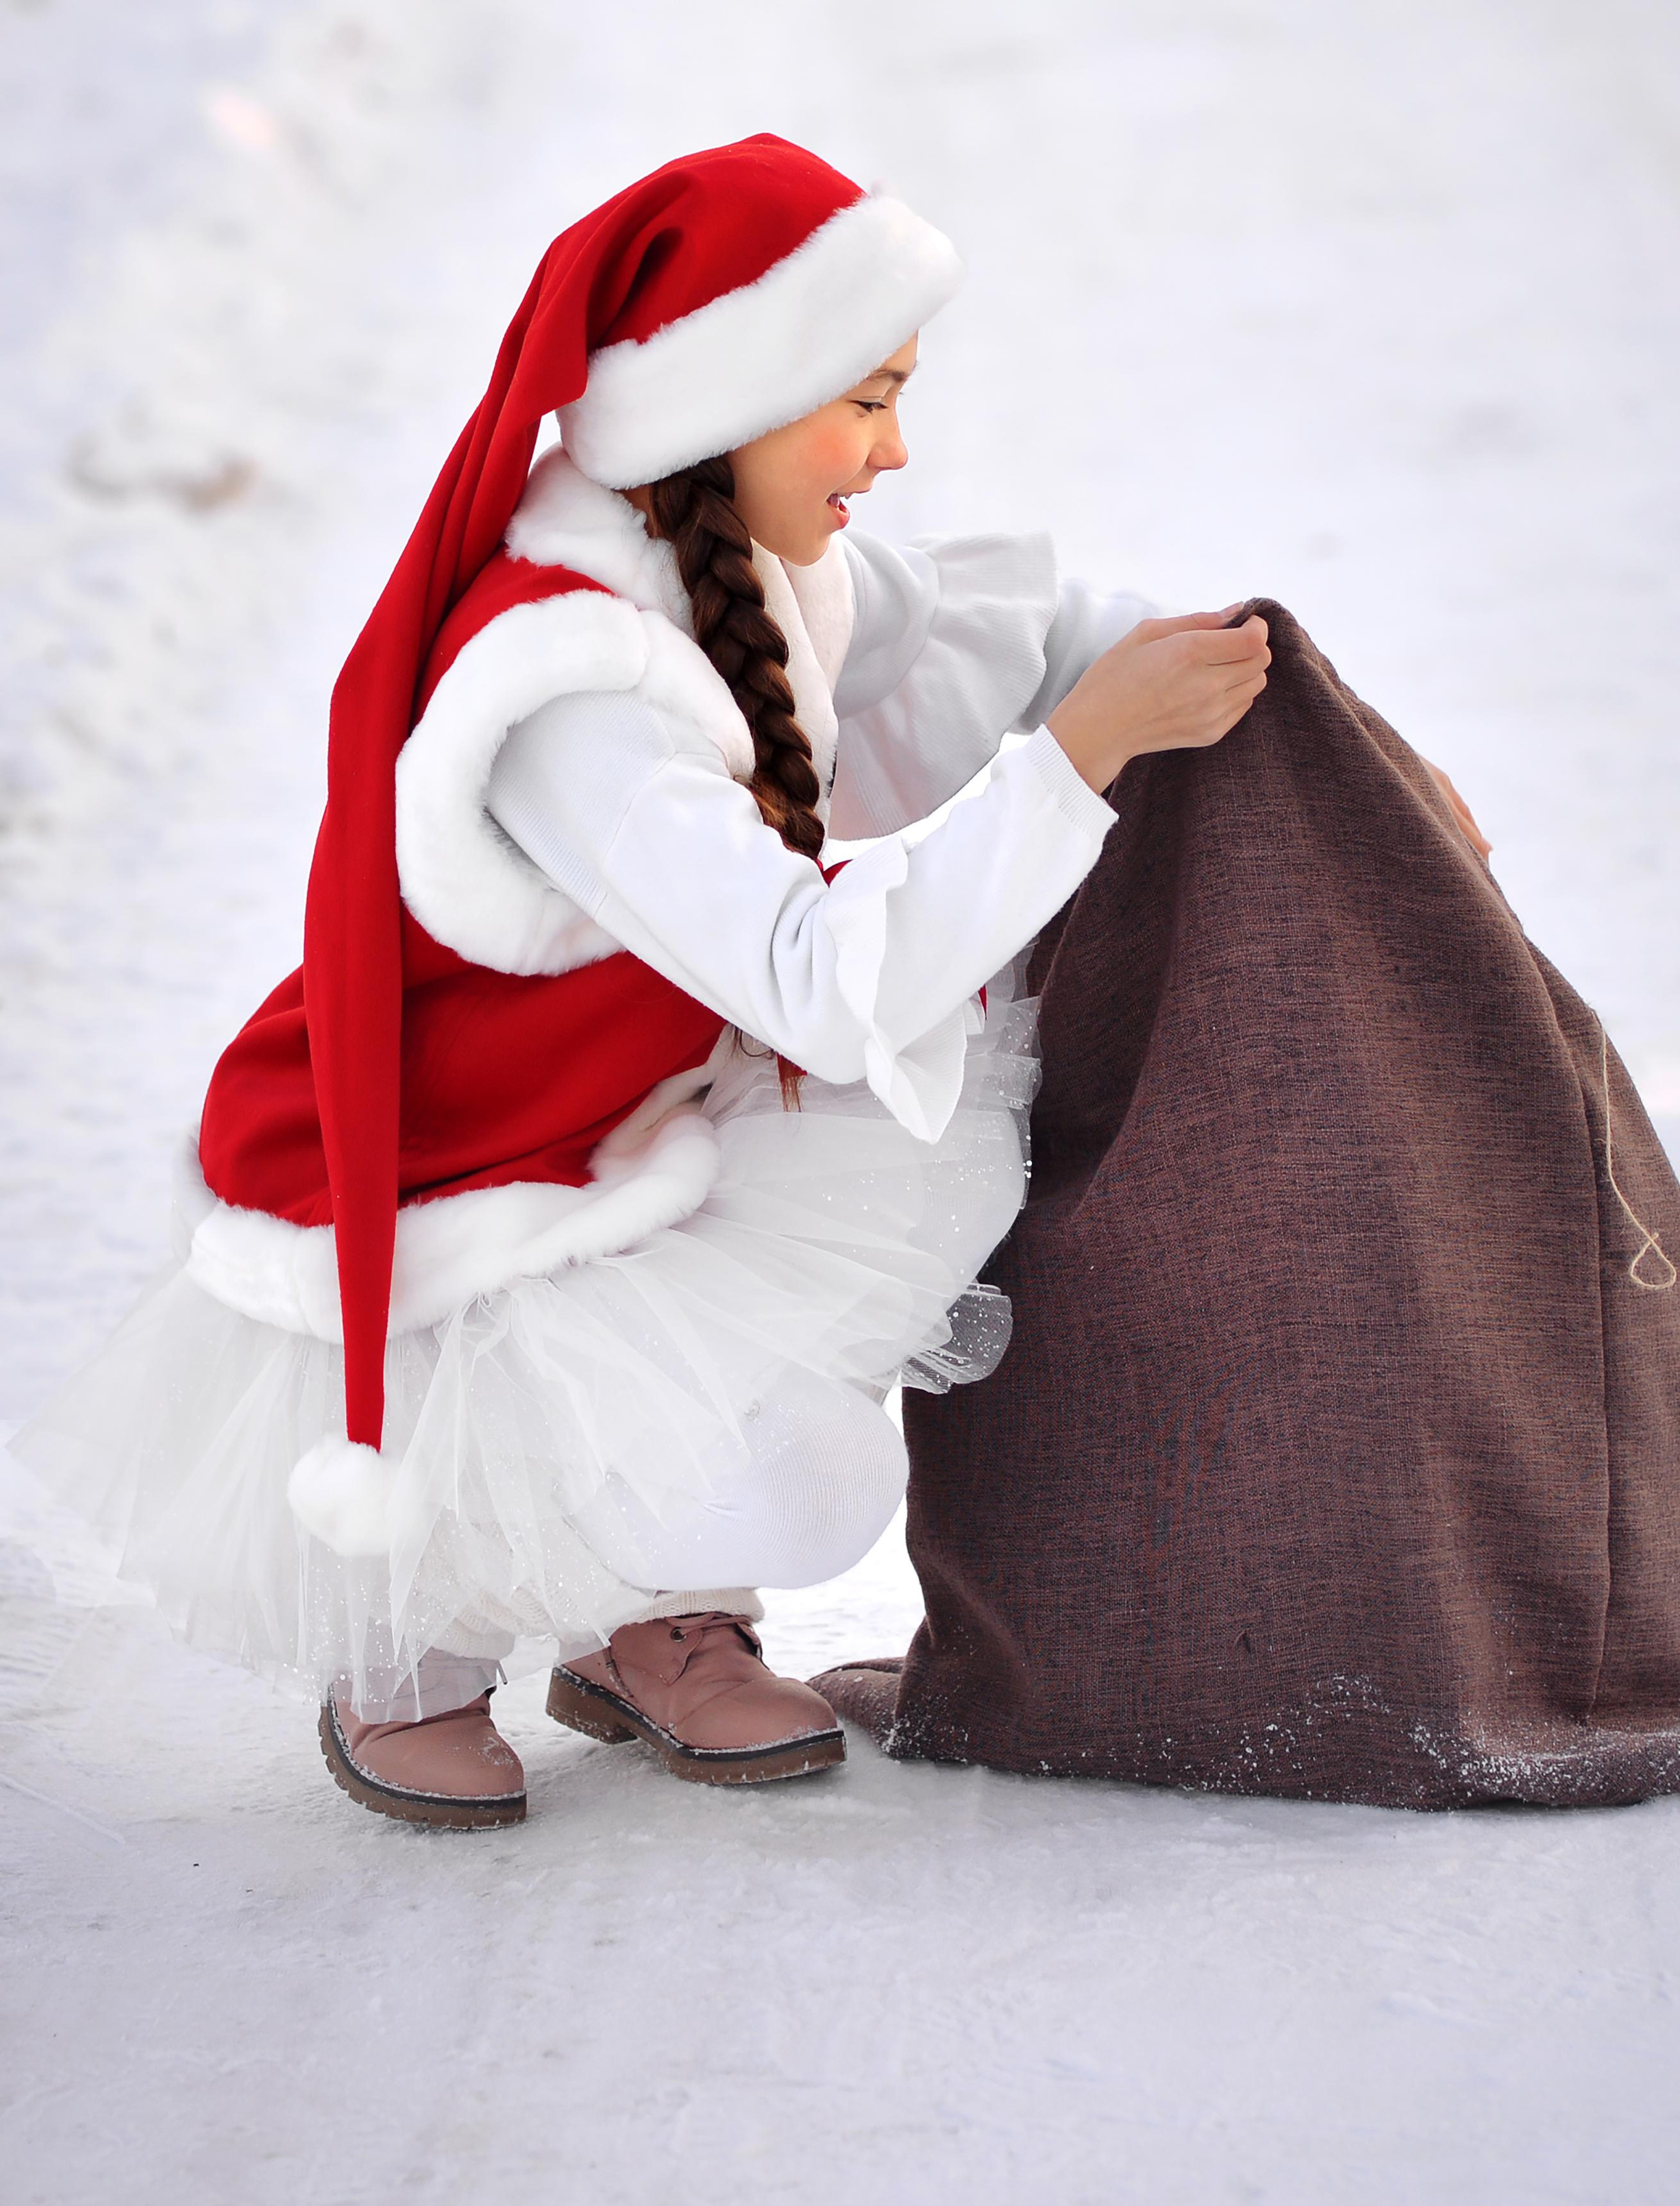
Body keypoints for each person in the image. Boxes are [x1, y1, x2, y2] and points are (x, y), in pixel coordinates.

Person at [17, 132, 1275, 1829]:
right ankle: (421, 1638)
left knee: (864, 1199)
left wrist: (1299, 717)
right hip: (471, 1169)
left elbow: (1011, 633)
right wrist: (1073, 766)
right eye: (865, 402)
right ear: (729, 404)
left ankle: (652, 1614)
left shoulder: (746, 555)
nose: (896, 451)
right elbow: (817, 980)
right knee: (595, 1361)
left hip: (633, 1104)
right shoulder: (575, 688)